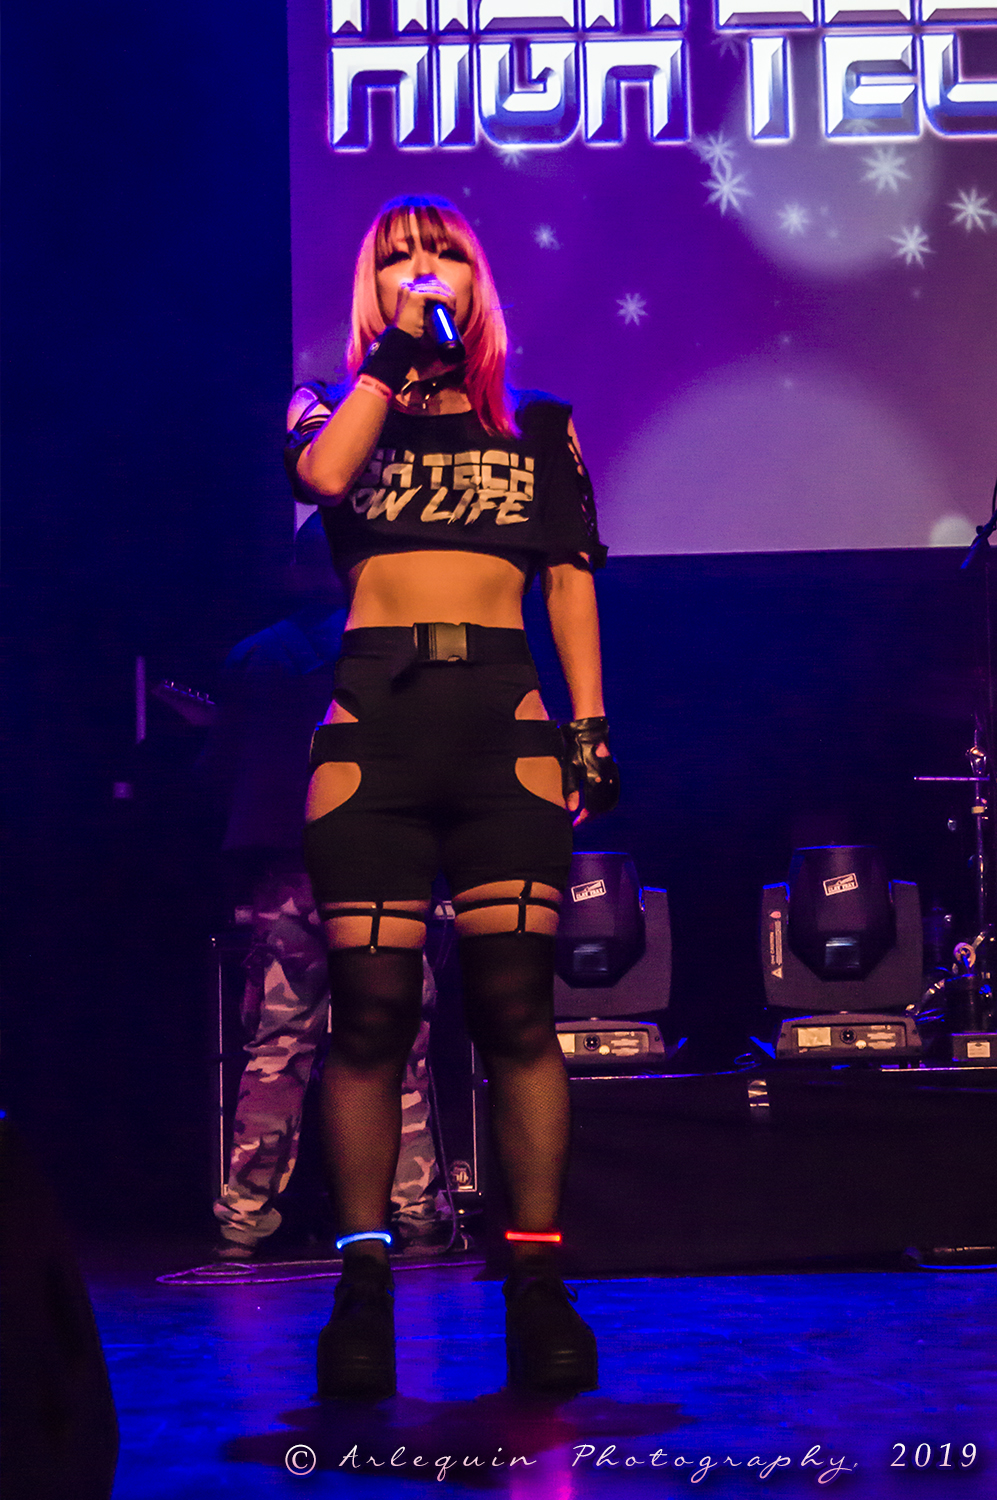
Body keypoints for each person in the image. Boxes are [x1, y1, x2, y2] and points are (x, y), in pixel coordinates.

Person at [284, 194, 618, 1399]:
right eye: (398, 260)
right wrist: (388, 360)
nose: (423, 274)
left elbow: (569, 580)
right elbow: (325, 476)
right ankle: (362, 1288)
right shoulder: (327, 407)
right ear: (370, 288)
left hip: (502, 727)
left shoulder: (538, 424)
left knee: (517, 1012)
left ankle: (536, 1283)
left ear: (479, 280)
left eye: (444, 257)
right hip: (373, 730)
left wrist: (589, 729)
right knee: (370, 1017)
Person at [202, 517, 450, 1261]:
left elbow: (220, 772)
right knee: (395, 1041)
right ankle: (417, 1212)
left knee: (277, 1047)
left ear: (296, 571)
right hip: (382, 874)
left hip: (290, 876)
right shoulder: (403, 650)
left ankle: (244, 1214)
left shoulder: (255, 657)